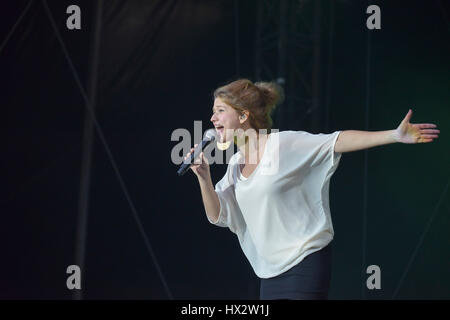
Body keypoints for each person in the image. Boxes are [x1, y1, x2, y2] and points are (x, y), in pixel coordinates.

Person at [183, 79, 440, 300]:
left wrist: (393, 135)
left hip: (305, 261)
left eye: (219, 111)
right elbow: (218, 215)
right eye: (213, 112)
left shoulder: (281, 144)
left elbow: (335, 141)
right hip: (269, 273)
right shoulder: (235, 165)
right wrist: (203, 178)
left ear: (242, 115)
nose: (212, 118)